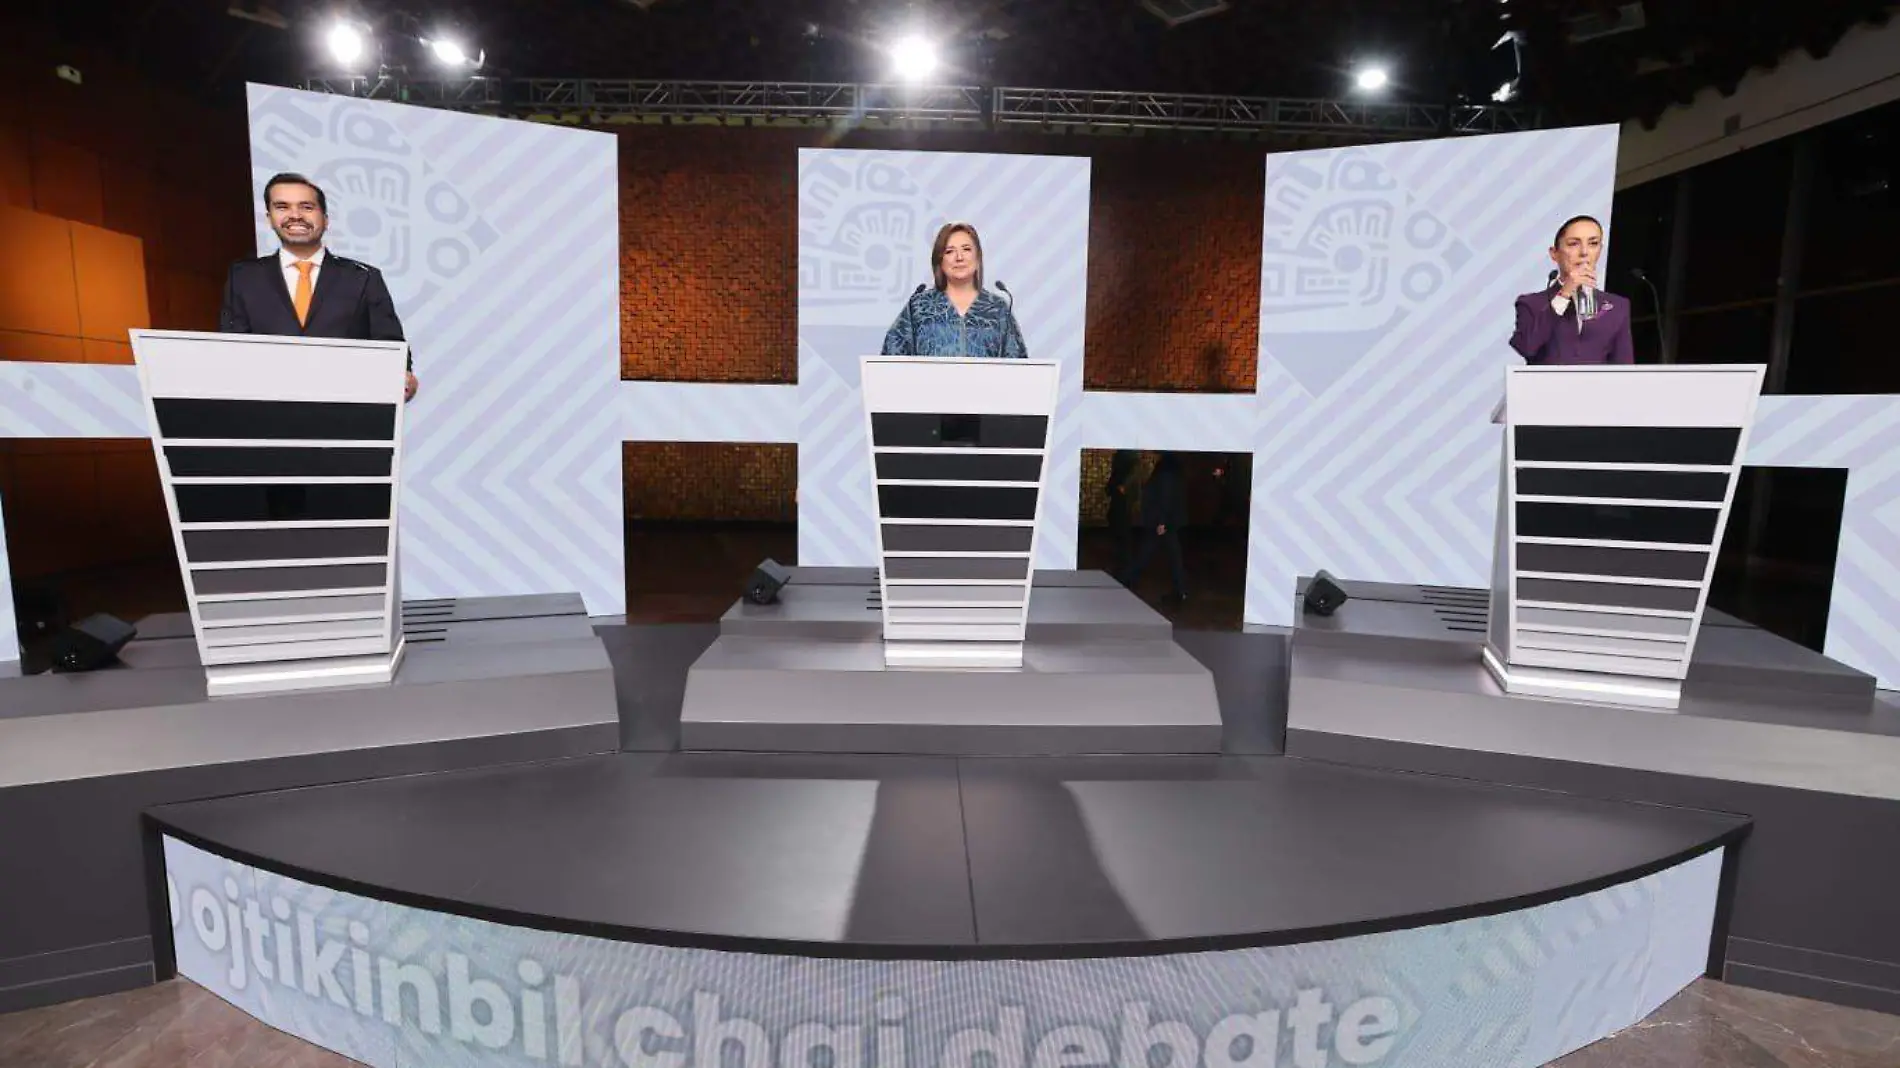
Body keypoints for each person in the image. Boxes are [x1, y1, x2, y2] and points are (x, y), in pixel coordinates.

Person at [219, 172, 418, 401]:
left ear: (325, 219)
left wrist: (403, 377)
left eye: (306, 207)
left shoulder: (363, 277)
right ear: (269, 218)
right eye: (282, 207)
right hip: (267, 410)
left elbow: (391, 347)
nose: (295, 215)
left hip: (346, 409)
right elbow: (231, 350)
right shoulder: (244, 277)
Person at [881, 222, 1028, 359]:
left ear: (977, 257)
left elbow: (1020, 367)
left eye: (966, 249)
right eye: (949, 251)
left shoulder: (997, 309)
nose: (959, 257)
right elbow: (890, 361)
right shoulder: (918, 307)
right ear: (939, 260)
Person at [1509, 215, 1634, 366]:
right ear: (1554, 254)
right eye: (1573, 244)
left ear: (1600, 250)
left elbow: (1624, 367)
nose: (1584, 252)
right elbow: (1526, 346)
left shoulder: (1617, 306)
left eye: (1593, 243)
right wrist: (1565, 293)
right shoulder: (1531, 303)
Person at [1121, 452, 1188, 602]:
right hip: (1168, 521)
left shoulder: (1165, 471)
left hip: (1162, 521)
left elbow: (1165, 496)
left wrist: (1162, 521)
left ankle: (1128, 578)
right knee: (1169, 555)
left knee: (1149, 550)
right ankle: (1180, 590)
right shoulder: (1173, 469)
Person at [1105, 449, 1140, 582]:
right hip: (1124, 508)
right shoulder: (1132, 469)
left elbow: (1109, 489)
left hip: (1119, 508)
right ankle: (1125, 573)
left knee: (1121, 540)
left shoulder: (1121, 471)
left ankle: (1123, 572)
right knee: (1124, 540)